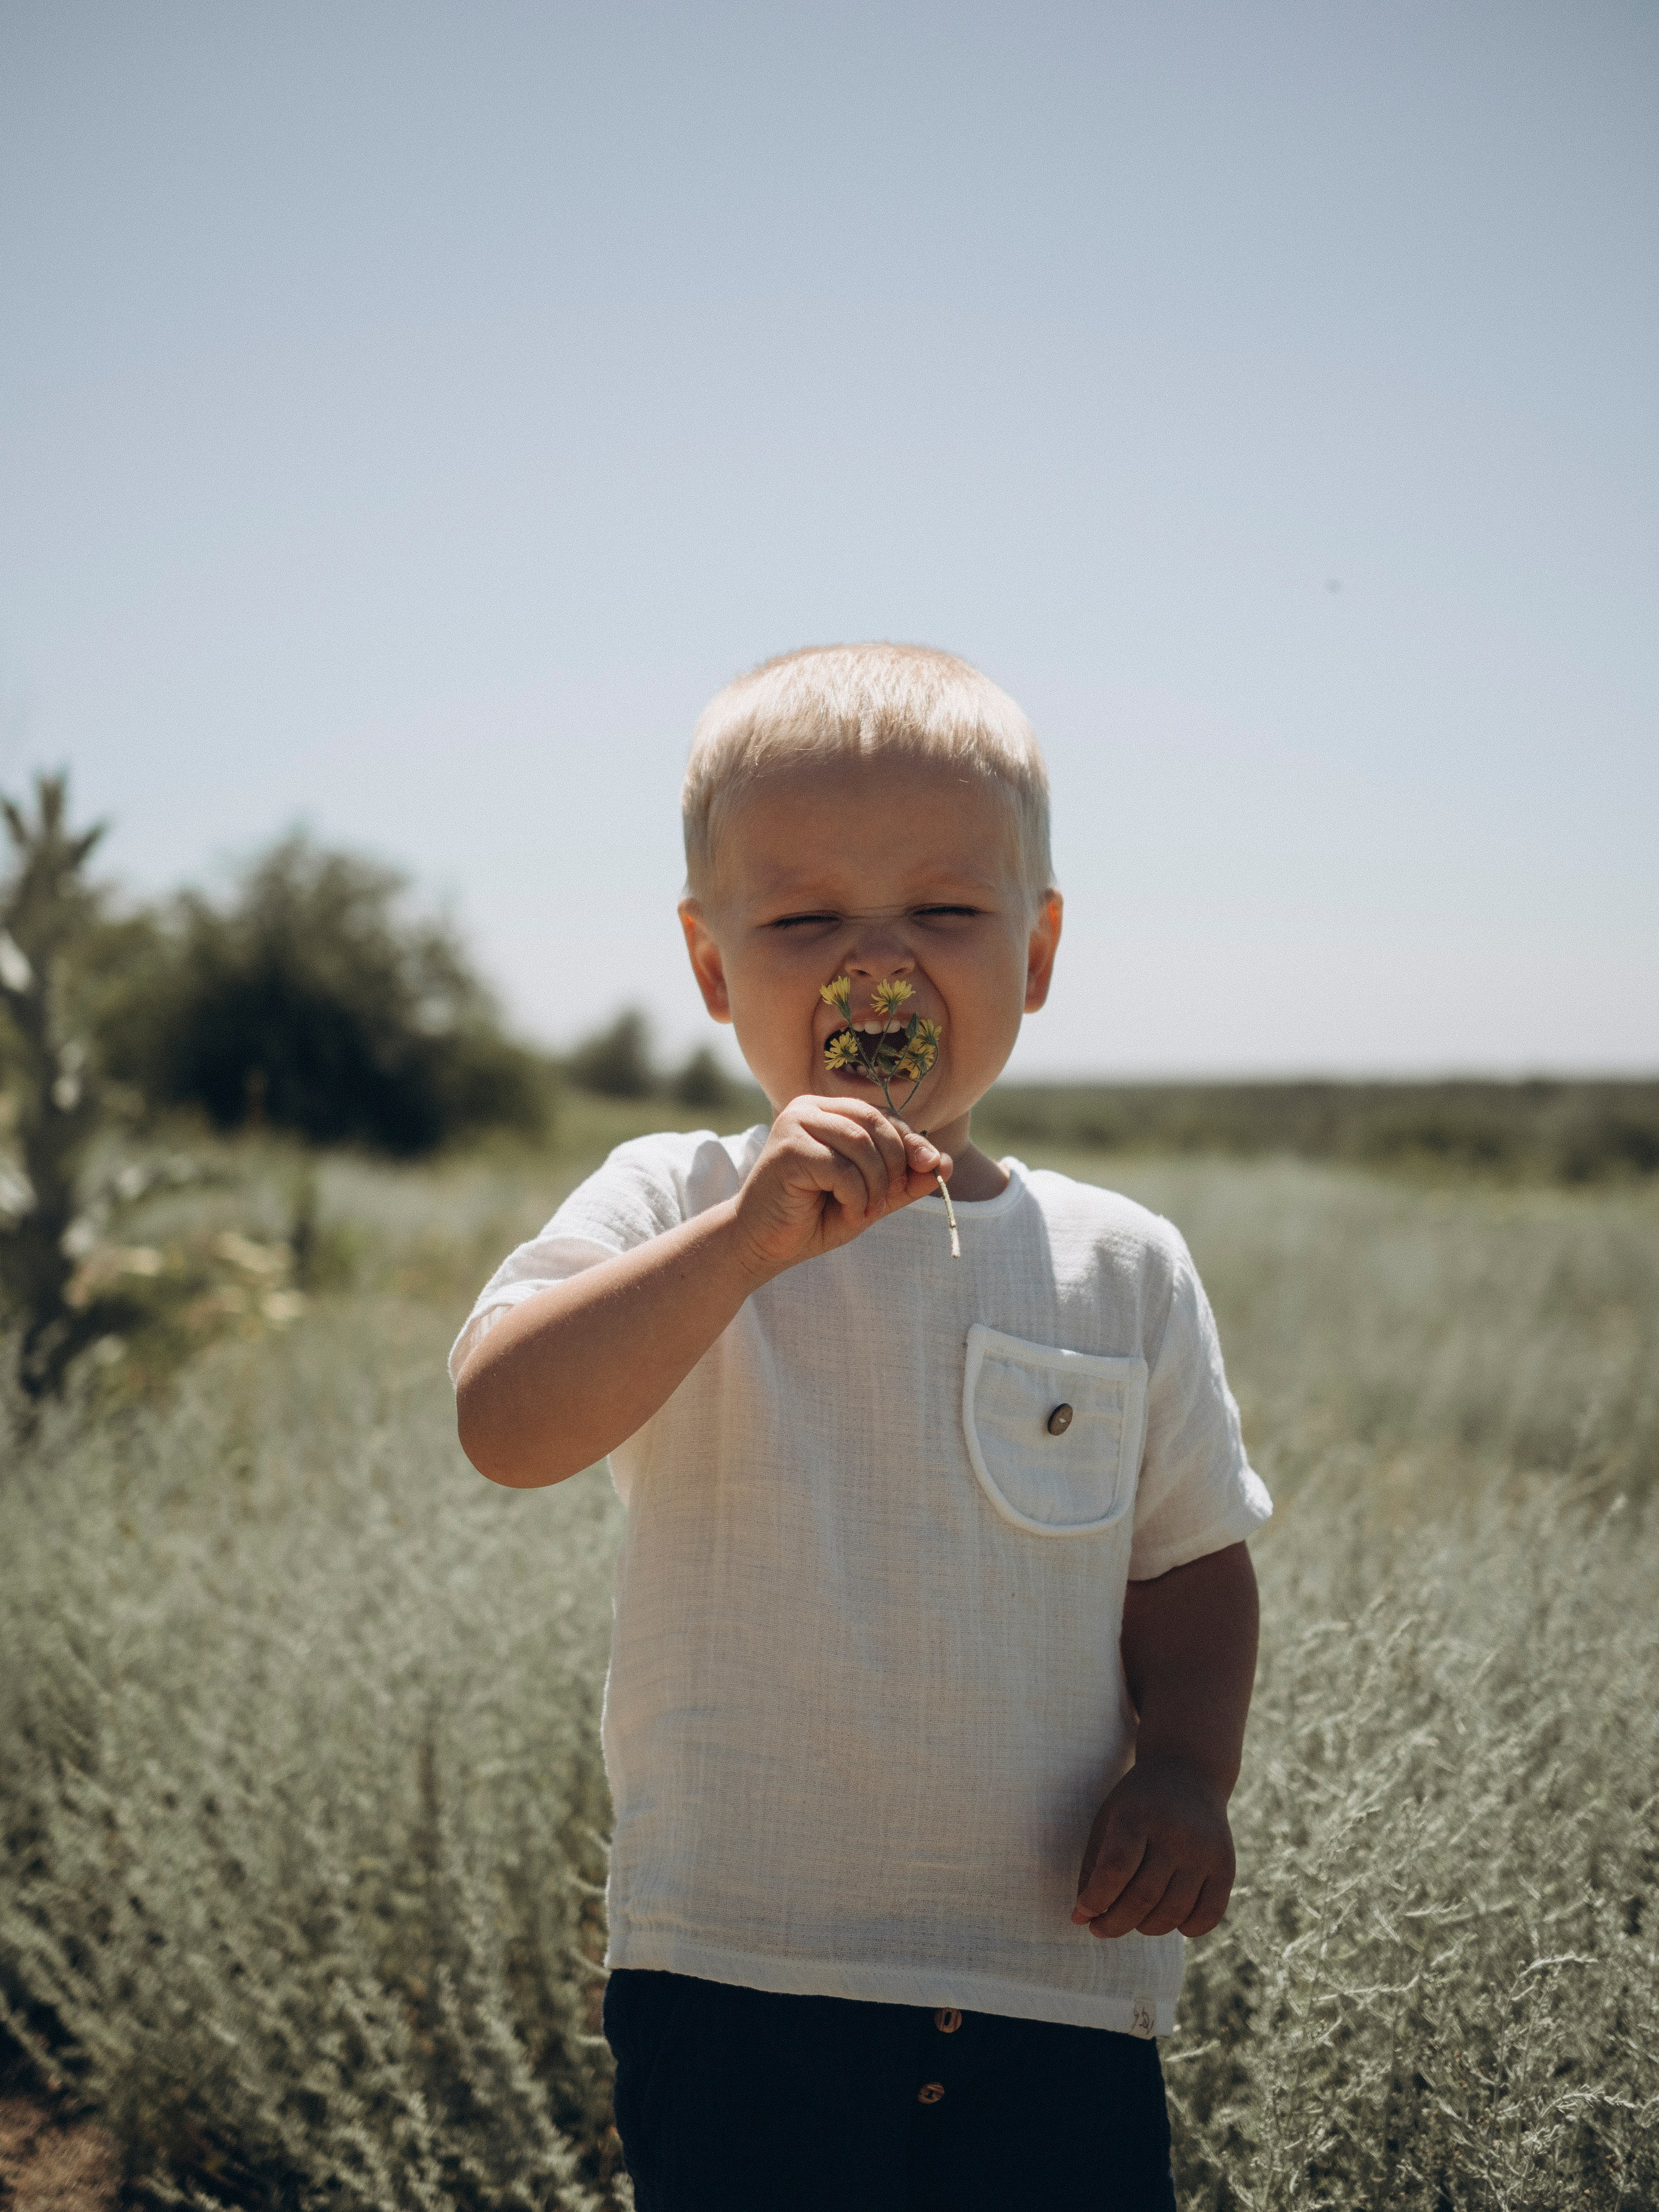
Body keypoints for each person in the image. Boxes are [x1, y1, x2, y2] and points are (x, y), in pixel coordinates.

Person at [450, 643, 1271, 2211]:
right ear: (711, 968)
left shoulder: (1119, 1264)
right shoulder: (674, 1201)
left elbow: (1186, 1565)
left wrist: (1184, 1772)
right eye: (806, 919)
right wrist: (743, 1245)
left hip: (1054, 1976)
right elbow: (503, 1420)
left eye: (943, 917)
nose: (872, 968)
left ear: (1033, 954)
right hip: (739, 1972)